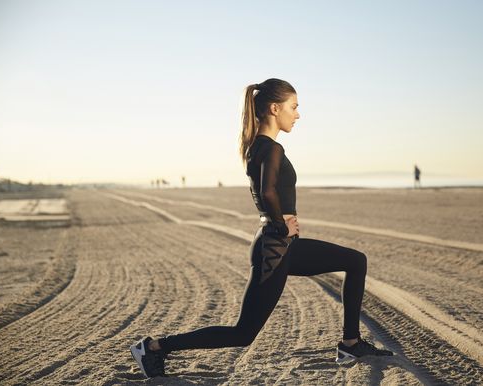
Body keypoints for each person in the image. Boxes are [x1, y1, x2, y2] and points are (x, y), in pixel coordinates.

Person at [130, 78, 394, 378]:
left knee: (355, 260)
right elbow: (267, 193)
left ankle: (350, 343)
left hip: (279, 245)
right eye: (293, 107)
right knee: (243, 333)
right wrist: (282, 226)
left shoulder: (256, 147)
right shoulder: (271, 148)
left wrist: (281, 227)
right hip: (275, 248)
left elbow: (268, 193)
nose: (297, 114)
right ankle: (153, 347)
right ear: (274, 108)